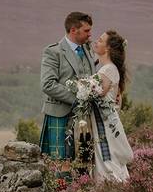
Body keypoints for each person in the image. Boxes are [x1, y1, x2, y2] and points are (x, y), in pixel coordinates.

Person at [39, 12, 96, 174]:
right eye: (86, 30)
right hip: (59, 114)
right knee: (60, 163)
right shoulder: (53, 52)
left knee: (84, 163)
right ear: (73, 30)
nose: (90, 34)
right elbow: (48, 84)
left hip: (84, 118)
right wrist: (78, 99)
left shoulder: (87, 50)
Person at [90, 30, 134, 182]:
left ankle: (110, 184)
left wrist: (81, 90)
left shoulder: (107, 69)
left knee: (107, 155)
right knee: (111, 154)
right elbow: (116, 101)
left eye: (101, 40)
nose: (96, 42)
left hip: (103, 120)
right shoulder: (110, 68)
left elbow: (97, 94)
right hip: (107, 117)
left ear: (108, 48)